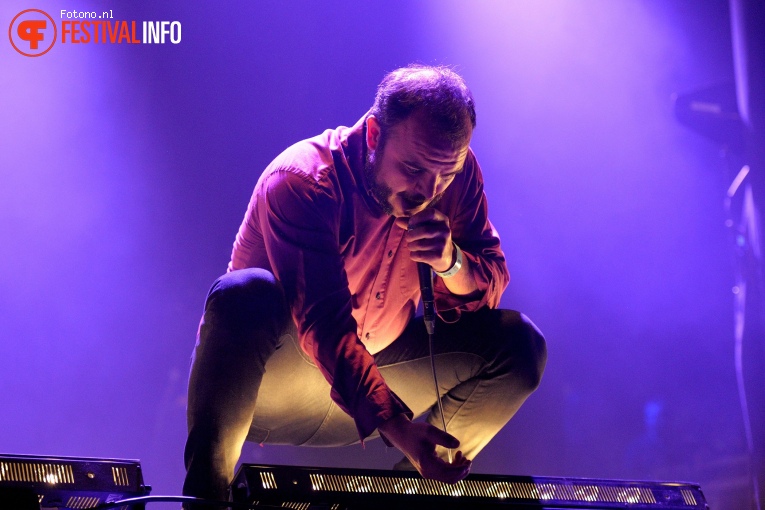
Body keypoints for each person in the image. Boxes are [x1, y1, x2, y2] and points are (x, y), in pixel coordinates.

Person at [182, 64, 547, 503]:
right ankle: (206, 498)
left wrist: (451, 263)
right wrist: (396, 425)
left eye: (443, 176)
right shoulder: (303, 179)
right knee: (244, 293)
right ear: (374, 134)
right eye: (412, 168)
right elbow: (325, 327)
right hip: (273, 390)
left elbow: (491, 277)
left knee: (520, 345)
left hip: (383, 372)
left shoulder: (455, 172)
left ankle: (414, 491)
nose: (427, 191)